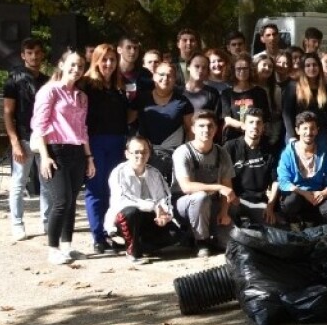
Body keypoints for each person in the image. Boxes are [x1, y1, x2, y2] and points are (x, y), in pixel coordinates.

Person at [31, 50, 92, 265]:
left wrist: (89, 157)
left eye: (81, 66)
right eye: (73, 65)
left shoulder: (81, 96)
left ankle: (67, 245)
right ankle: (53, 248)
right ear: (62, 64)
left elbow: (83, 128)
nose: (76, 70)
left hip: (76, 151)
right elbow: (39, 126)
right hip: (54, 150)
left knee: (72, 202)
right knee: (61, 201)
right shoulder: (49, 91)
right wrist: (45, 156)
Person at [81, 44, 131, 254]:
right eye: (104, 59)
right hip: (95, 142)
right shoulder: (87, 84)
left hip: (117, 141)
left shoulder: (120, 85)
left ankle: (109, 232)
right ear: (96, 61)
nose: (108, 64)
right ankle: (98, 237)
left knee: (113, 189)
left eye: (112, 59)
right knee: (96, 190)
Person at [171, 111, 236, 257]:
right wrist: (218, 187)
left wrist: (224, 212)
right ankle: (202, 242)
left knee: (230, 245)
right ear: (193, 129)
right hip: (184, 204)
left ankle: (198, 236)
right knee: (200, 197)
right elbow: (186, 187)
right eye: (201, 126)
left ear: (216, 129)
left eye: (210, 126)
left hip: (212, 204)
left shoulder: (222, 152)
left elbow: (228, 187)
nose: (206, 130)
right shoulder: (183, 152)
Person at [5, 38, 50, 241]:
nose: (34, 57)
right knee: (19, 182)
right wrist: (14, 142)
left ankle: (48, 222)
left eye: (37, 52)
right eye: (29, 53)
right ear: (23, 55)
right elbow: (8, 113)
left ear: (42, 55)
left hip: (44, 138)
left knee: (47, 180)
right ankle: (17, 223)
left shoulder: (48, 80)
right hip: (23, 137)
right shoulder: (13, 80)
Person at [106, 137, 177, 263]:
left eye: (144, 152)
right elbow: (124, 199)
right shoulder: (118, 172)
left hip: (149, 218)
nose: (141, 155)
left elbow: (165, 197)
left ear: (149, 154)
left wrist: (165, 215)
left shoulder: (155, 173)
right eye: (136, 152)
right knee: (131, 212)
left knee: (175, 235)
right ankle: (132, 252)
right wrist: (154, 206)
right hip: (125, 219)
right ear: (127, 154)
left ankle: (141, 246)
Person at [277, 111, 327, 225]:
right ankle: (295, 221)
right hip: (298, 194)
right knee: (290, 203)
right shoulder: (288, 153)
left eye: (312, 128)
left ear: (317, 130)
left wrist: (325, 192)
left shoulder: (323, 151)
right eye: (305, 128)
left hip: (317, 194)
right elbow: (283, 181)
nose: (308, 132)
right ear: (297, 130)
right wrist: (303, 193)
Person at [135, 62, 193, 179]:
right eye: (161, 74)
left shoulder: (182, 101)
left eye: (169, 75)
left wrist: (191, 155)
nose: (165, 78)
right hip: (142, 153)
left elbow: (190, 130)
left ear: (175, 79)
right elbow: (128, 121)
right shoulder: (142, 98)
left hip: (171, 154)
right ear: (154, 77)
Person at [224, 108, 278, 227]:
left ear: (263, 126)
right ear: (244, 125)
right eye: (251, 122)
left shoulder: (269, 149)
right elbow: (223, 178)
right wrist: (231, 200)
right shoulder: (230, 147)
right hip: (235, 201)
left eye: (258, 123)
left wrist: (270, 206)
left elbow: (275, 181)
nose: (255, 126)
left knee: (268, 234)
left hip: (260, 202)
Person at [282, 52, 327, 141]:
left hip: (320, 133)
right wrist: (292, 137)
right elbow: (287, 114)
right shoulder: (293, 87)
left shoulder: (326, 88)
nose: (312, 68)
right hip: (298, 133)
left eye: (315, 65)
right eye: (308, 65)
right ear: (303, 68)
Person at [222, 56, 270, 142]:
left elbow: (265, 117)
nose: (242, 71)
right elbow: (227, 119)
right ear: (233, 71)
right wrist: (244, 126)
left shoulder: (260, 92)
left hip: (255, 138)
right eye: (238, 69)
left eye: (245, 68)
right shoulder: (226, 93)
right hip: (233, 139)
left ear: (250, 70)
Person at [253, 54, 285, 149]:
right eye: (264, 65)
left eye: (270, 67)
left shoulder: (276, 90)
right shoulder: (248, 86)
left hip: (269, 135)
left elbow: (277, 116)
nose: (267, 68)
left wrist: (274, 137)